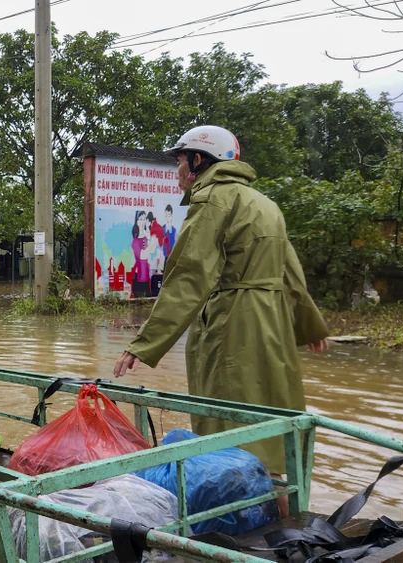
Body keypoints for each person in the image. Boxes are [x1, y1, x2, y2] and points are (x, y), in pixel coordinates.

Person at [112, 125, 329, 515]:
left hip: (232, 327)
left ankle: (234, 524)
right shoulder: (265, 204)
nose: (177, 171)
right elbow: (291, 273)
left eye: (179, 161)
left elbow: (190, 276)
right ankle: (286, 520)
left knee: (225, 428)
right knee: (272, 428)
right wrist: (309, 325)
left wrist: (144, 344)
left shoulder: (213, 199)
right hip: (273, 328)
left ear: (198, 160)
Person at [130, 210, 152, 298]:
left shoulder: (146, 238)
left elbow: (152, 251)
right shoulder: (135, 241)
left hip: (146, 275)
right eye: (140, 219)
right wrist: (152, 242)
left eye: (144, 219)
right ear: (137, 221)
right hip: (139, 276)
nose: (143, 222)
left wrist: (149, 238)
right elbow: (143, 256)